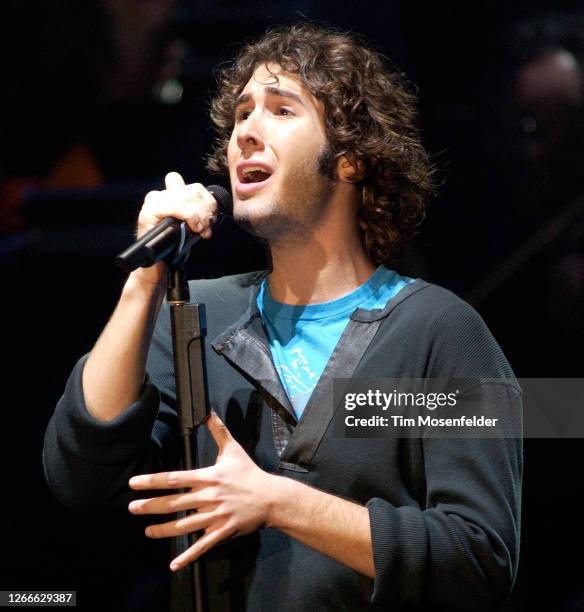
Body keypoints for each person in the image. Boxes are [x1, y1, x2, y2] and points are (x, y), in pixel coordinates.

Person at [43, 23, 522, 611]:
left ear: (350, 159)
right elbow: (80, 474)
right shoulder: (200, 315)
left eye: (281, 110)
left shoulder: (438, 329)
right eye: (241, 113)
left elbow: (477, 556)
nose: (246, 131)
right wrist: (146, 278)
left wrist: (278, 502)